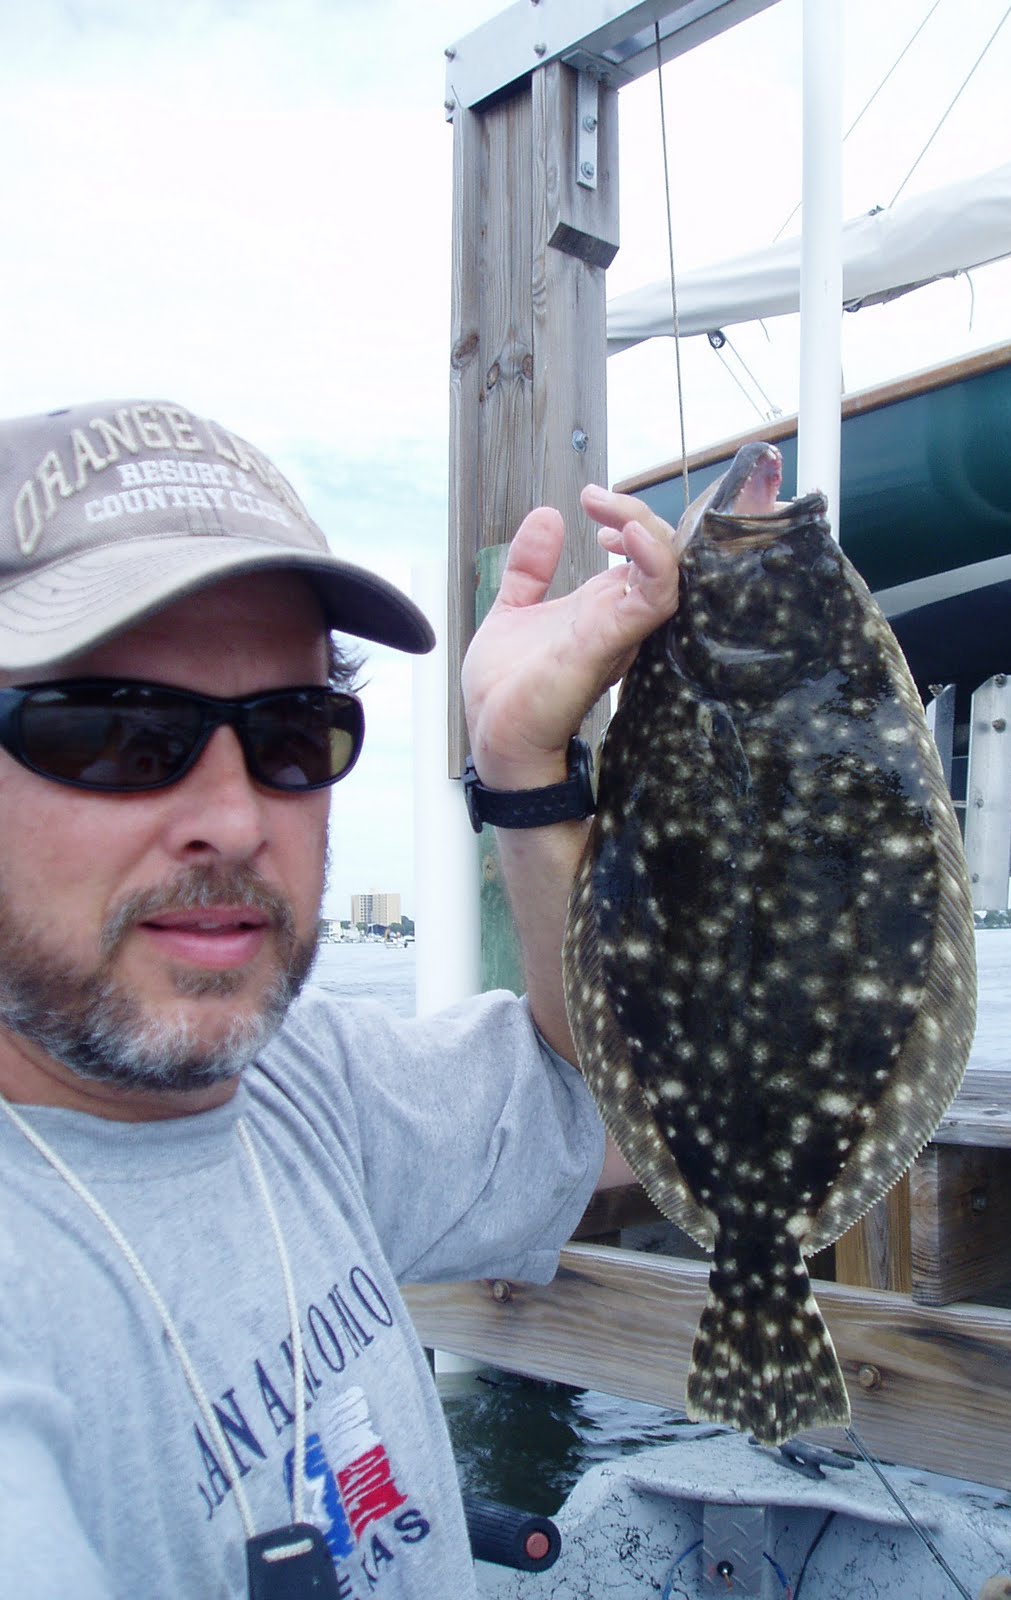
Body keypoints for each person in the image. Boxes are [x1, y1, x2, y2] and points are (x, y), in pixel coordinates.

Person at [0, 398, 678, 1598]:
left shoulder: (306, 1092)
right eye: (114, 730)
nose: (238, 815)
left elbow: (613, 1085)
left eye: (294, 734)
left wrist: (523, 765)